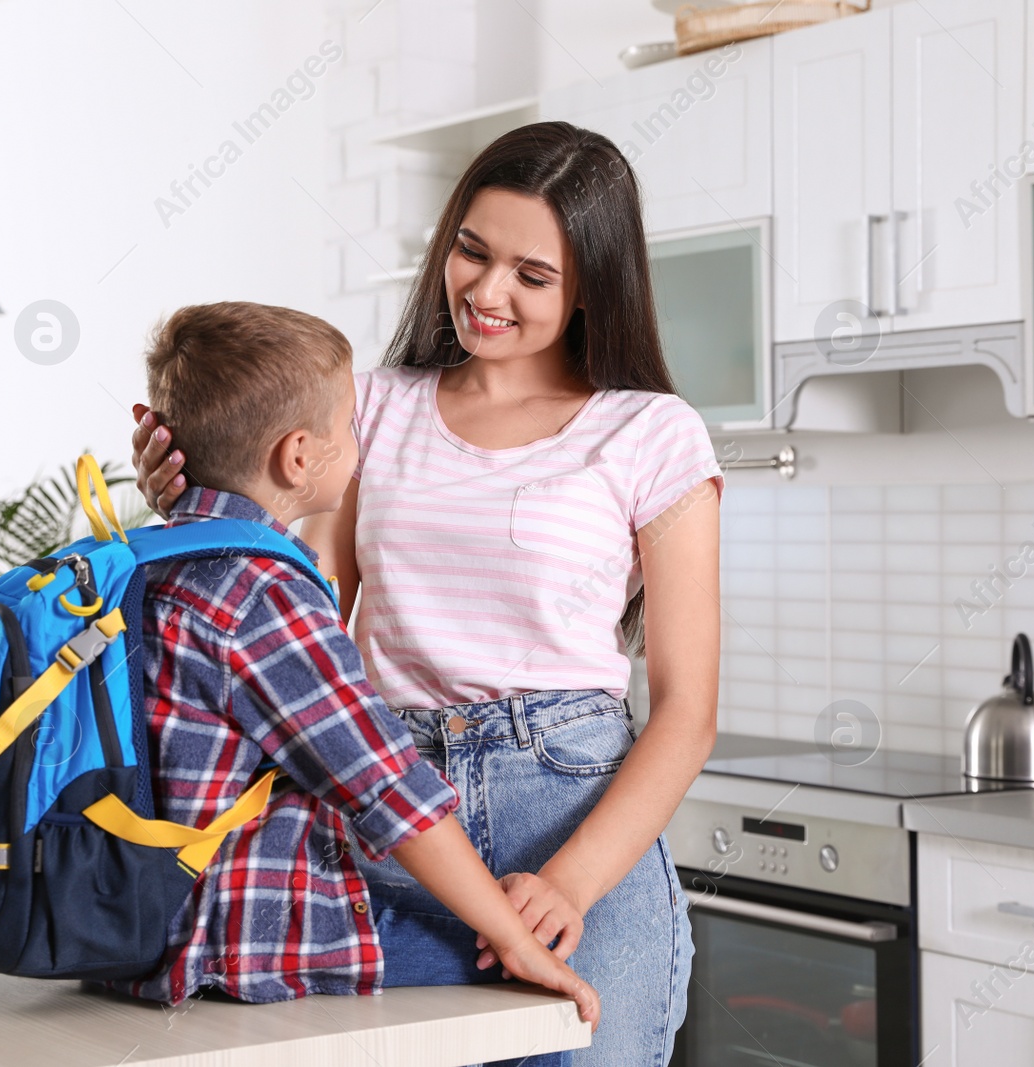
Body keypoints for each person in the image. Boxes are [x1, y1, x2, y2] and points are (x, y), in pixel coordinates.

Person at [132, 121, 721, 1066]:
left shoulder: (652, 432)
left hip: (572, 815)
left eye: (532, 276)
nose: (486, 293)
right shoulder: (374, 405)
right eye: (471, 252)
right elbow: (296, 610)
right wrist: (207, 500)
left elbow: (688, 711)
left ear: (590, 288)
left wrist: (567, 883)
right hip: (381, 813)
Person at [110, 299, 598, 1035]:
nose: (359, 443)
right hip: (238, 938)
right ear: (299, 456)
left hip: (139, 921)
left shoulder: (139, 563)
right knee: (528, 993)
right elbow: (390, 791)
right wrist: (515, 937)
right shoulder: (262, 595)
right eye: (348, 427)